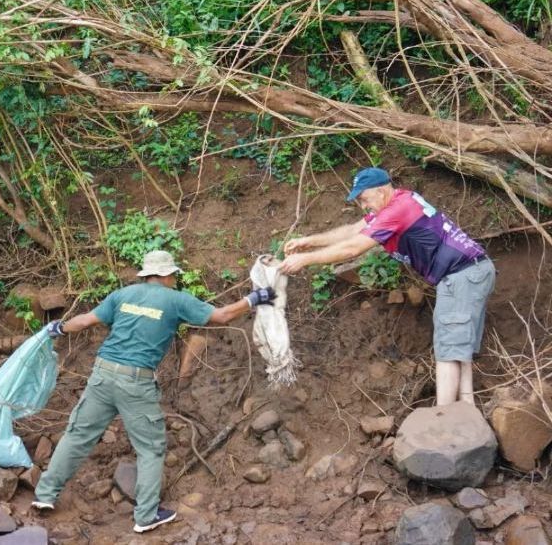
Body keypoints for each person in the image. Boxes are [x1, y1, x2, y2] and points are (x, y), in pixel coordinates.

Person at [31, 250, 276, 534]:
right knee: (150, 447)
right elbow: (221, 316)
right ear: (166, 275)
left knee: (77, 436)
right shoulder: (176, 300)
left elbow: (85, 321)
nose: (175, 280)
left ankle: (45, 495)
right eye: (173, 275)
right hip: (135, 382)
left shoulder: (123, 294)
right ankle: (145, 516)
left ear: (146, 275)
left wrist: (58, 328)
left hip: (102, 375)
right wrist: (255, 299)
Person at [279, 167, 495, 406]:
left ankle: (443, 416)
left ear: (381, 191)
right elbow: (351, 231)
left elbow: (353, 248)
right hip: (469, 272)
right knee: (457, 347)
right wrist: (308, 242)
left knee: (448, 350)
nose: (362, 205)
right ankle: (467, 408)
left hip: (460, 275)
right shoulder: (397, 202)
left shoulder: (397, 210)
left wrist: (305, 260)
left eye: (363, 198)